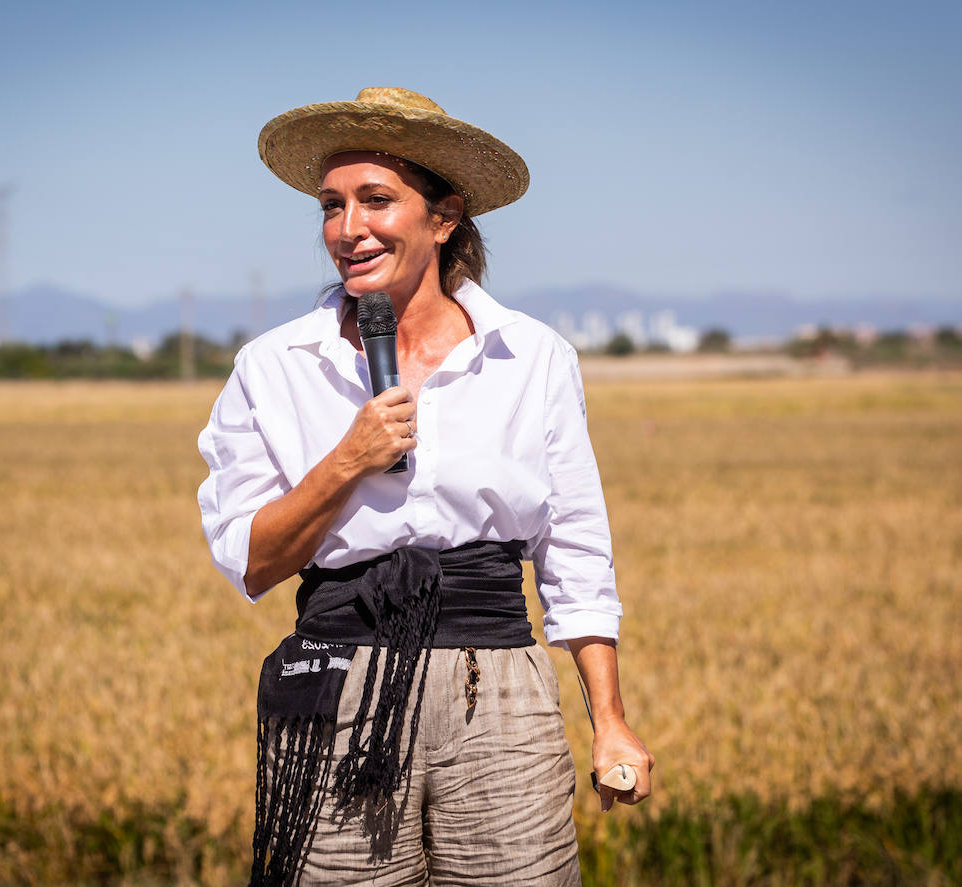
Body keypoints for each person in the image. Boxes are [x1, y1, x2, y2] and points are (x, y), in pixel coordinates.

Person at [198, 87, 653, 887]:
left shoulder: (533, 357)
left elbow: (575, 549)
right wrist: (348, 460)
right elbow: (252, 561)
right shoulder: (271, 367)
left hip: (502, 692)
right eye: (331, 207)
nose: (348, 230)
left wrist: (609, 722)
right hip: (338, 687)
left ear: (444, 217)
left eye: (376, 200)